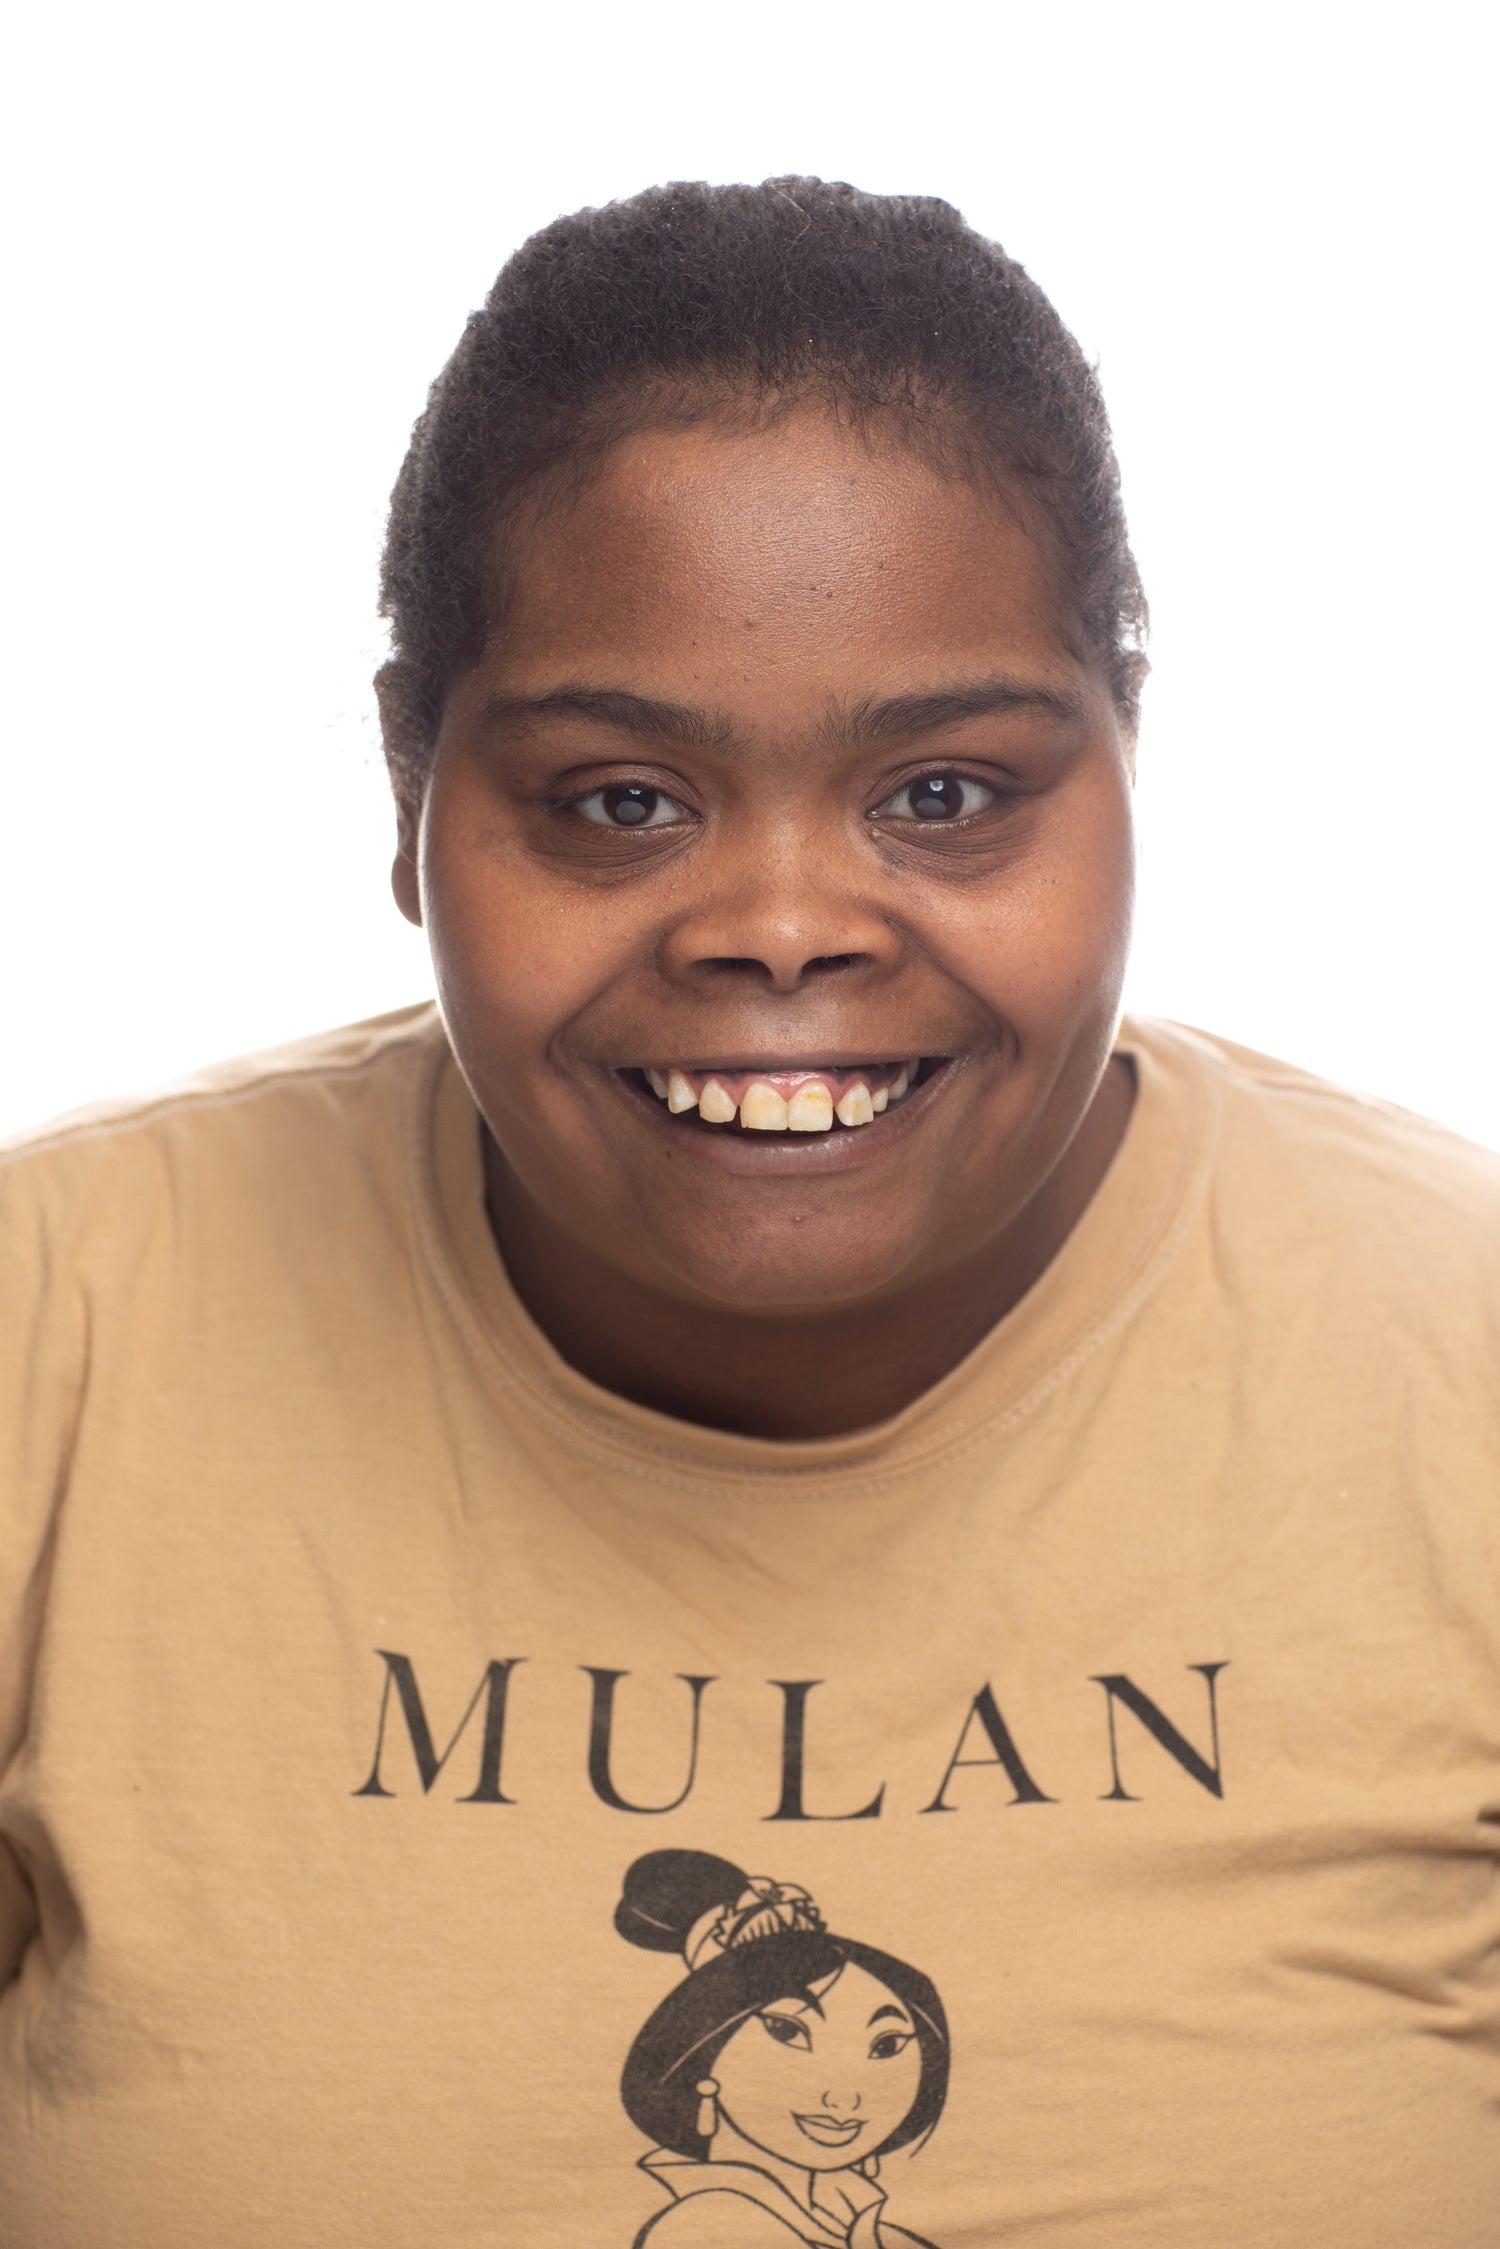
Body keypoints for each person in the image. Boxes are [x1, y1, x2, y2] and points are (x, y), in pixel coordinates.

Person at [0, 177, 1496, 2248]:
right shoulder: (52, 1337)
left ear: (1129, 764)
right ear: (410, 800)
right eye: (623, 801)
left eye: (945, 794)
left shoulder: (1464, 1370)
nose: (783, 928)